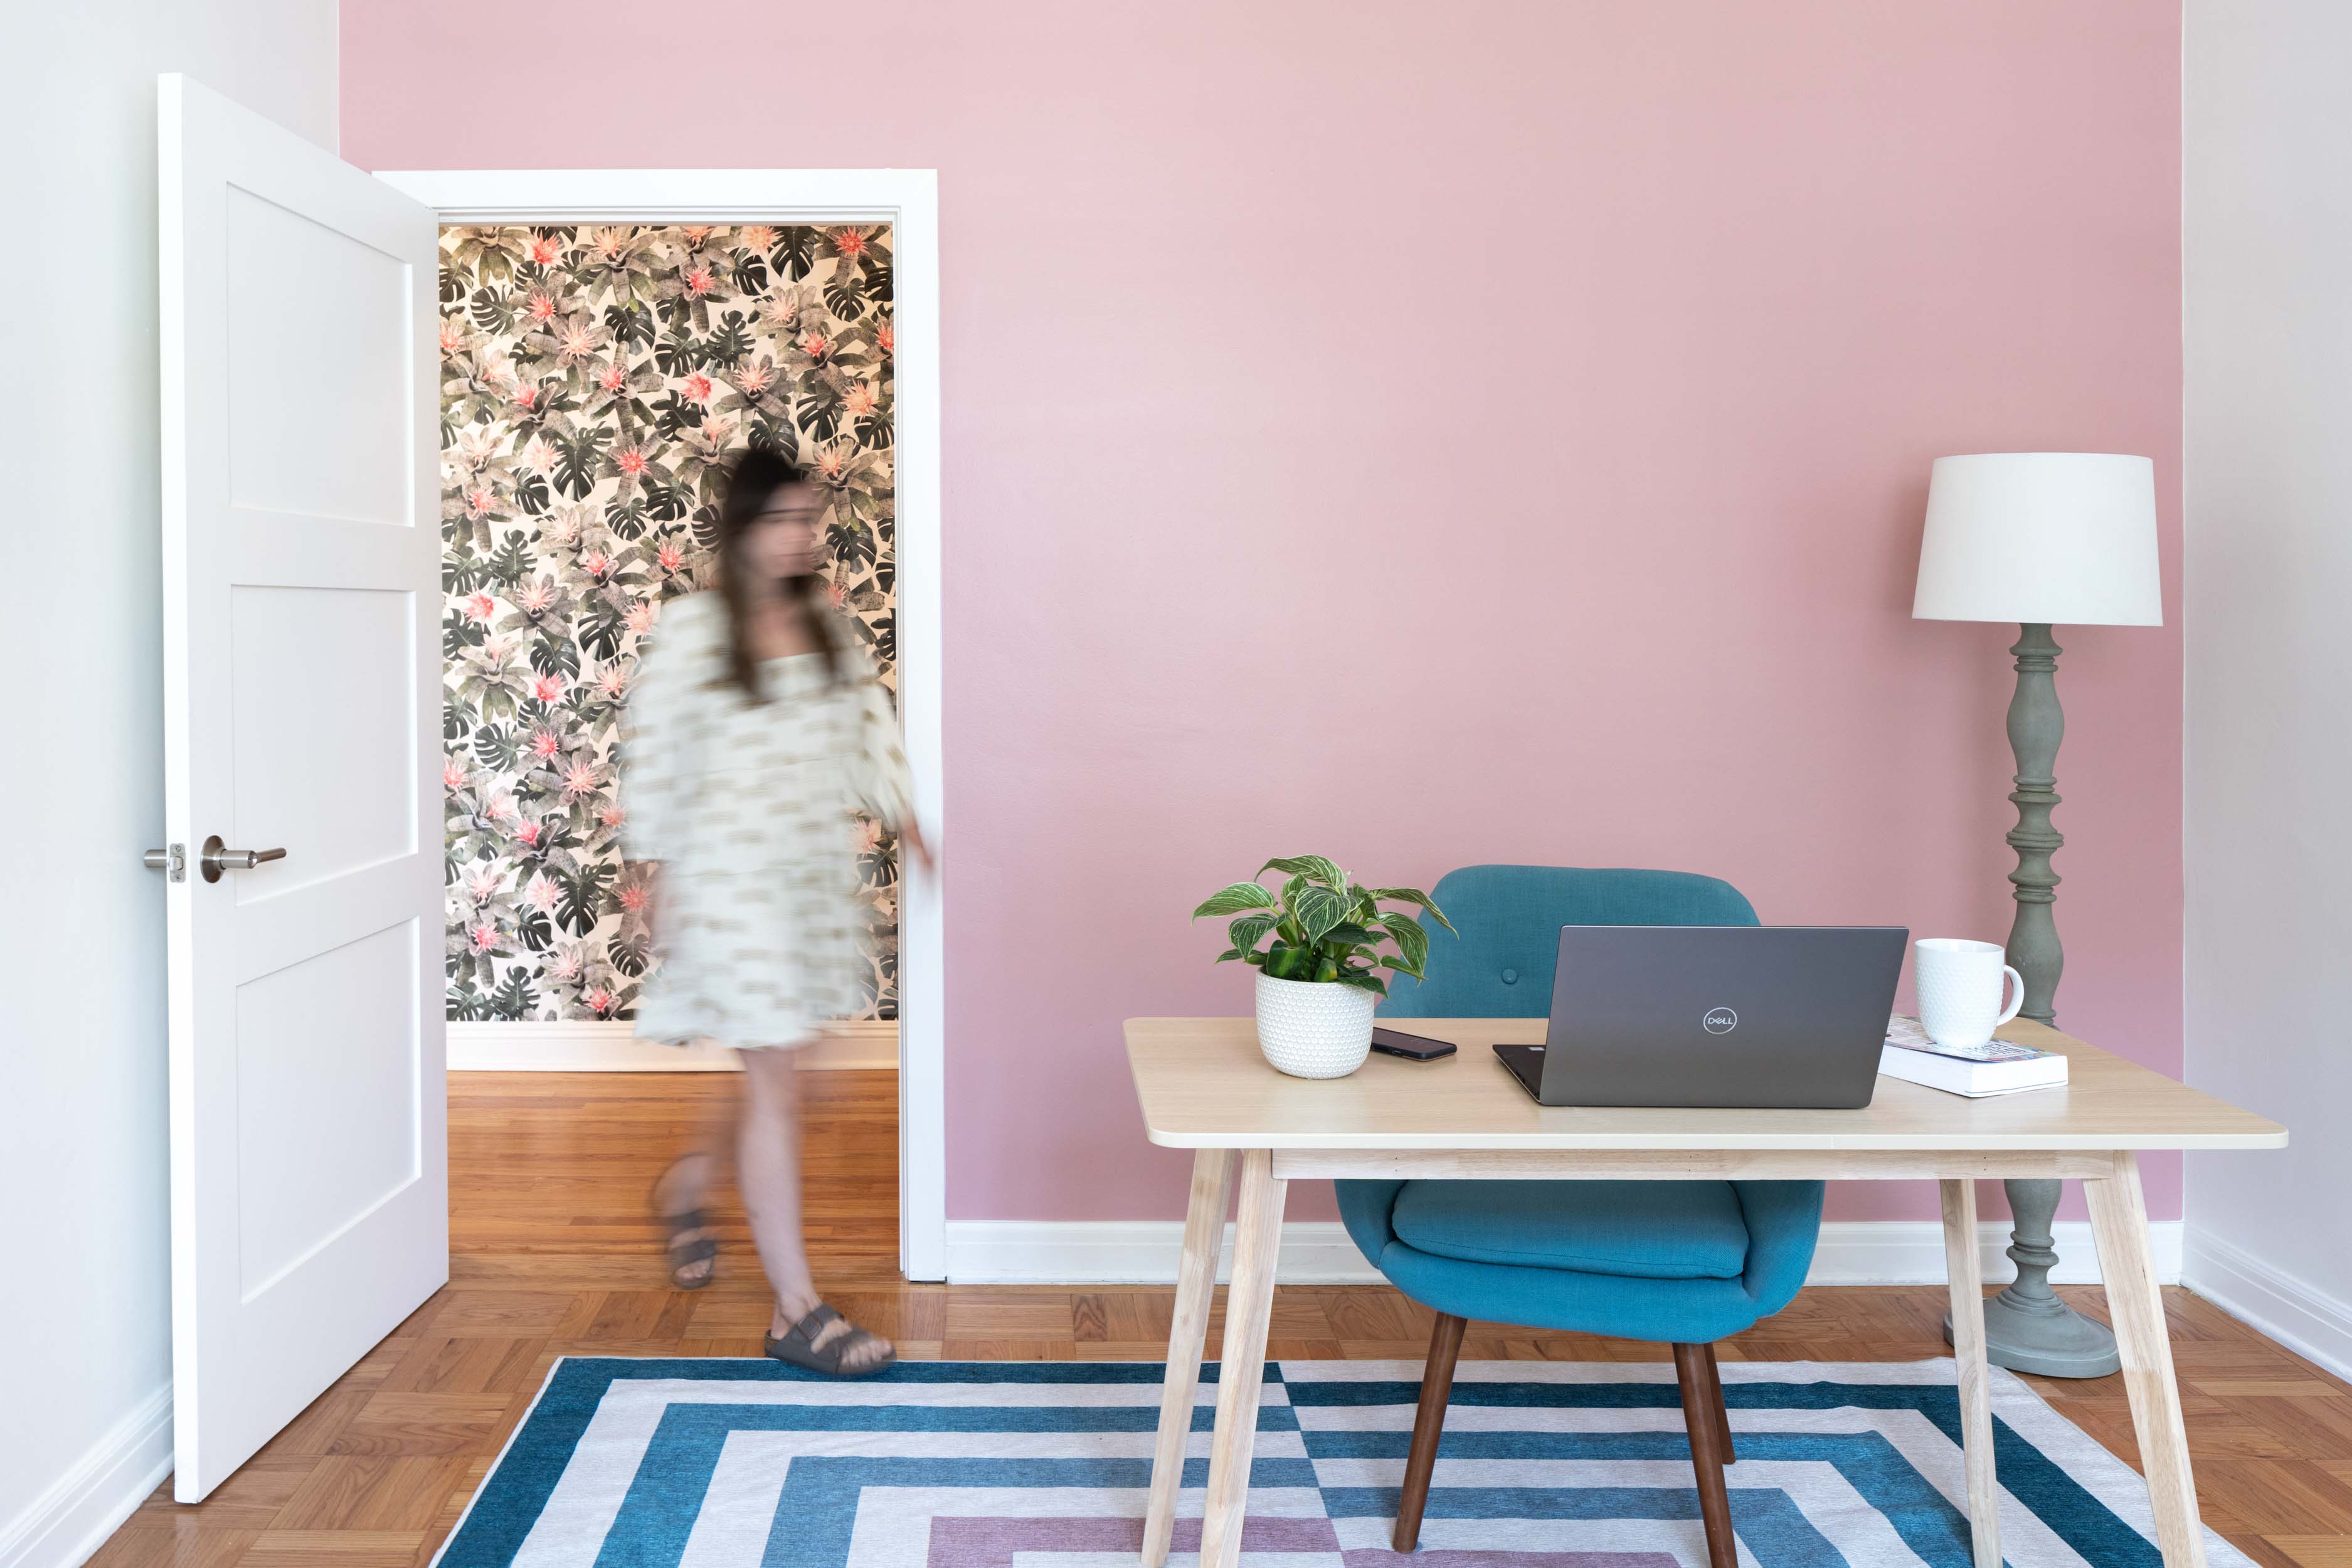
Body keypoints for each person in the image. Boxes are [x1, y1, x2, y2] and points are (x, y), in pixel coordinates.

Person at [623, 447, 931, 1377]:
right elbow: (657, 751)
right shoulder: (692, 632)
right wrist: (654, 874)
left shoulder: (827, 632)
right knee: (778, 1084)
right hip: (727, 885)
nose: (800, 538)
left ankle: (685, 1190)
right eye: (781, 522)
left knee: (781, 1068)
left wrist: (904, 815)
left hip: (804, 888)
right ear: (743, 531)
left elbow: (867, 738)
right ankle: (795, 1310)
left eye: (809, 521)